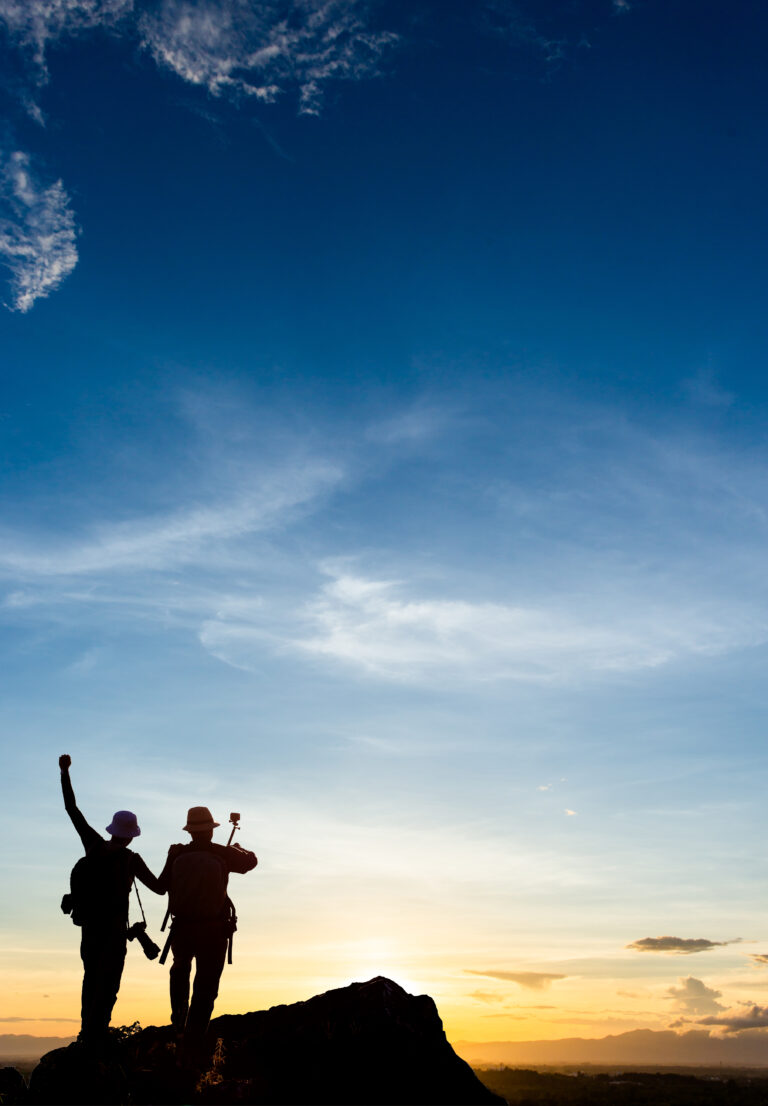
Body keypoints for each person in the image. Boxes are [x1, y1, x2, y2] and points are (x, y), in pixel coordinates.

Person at [59, 754, 164, 1046]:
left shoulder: (92, 844)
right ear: (132, 836)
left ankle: (86, 1034)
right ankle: (97, 1036)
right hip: (115, 933)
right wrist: (174, 858)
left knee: (90, 980)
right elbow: (159, 888)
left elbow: (71, 809)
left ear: (112, 830)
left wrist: (65, 772)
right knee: (108, 986)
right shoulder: (132, 860)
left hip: (89, 927)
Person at [158, 806, 257, 1057]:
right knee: (206, 988)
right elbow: (251, 862)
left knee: (180, 972)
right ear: (211, 831)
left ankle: (179, 1027)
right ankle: (193, 1045)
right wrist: (238, 849)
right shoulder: (221, 853)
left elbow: (161, 885)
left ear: (190, 831)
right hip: (214, 931)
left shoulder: (178, 852)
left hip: (181, 929)